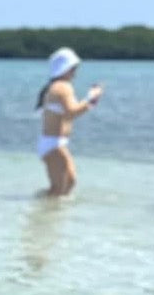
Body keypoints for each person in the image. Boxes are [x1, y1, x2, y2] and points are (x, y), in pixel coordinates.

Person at [36, 46, 103, 197]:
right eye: (73, 69)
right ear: (65, 68)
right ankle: (43, 206)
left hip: (54, 142)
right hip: (53, 144)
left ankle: (43, 204)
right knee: (61, 187)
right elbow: (71, 112)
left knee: (68, 183)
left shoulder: (55, 86)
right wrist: (92, 98)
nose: (75, 73)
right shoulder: (62, 87)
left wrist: (91, 101)